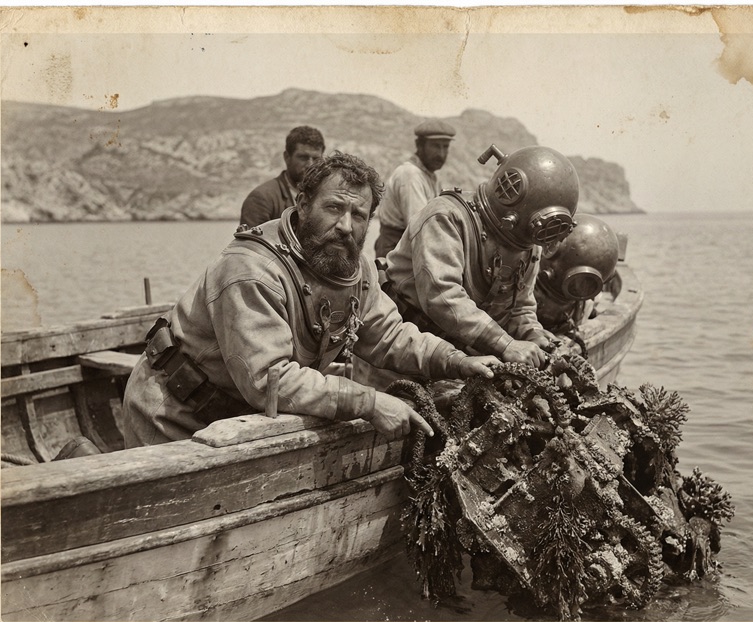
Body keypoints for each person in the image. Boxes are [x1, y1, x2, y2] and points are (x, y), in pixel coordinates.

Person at [123, 151, 499, 448]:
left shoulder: (357, 270)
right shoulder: (251, 269)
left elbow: (390, 336)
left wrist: (458, 361)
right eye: (334, 208)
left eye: (358, 215)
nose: (345, 225)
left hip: (238, 414)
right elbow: (271, 380)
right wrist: (368, 403)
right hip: (174, 411)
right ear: (303, 204)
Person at [379, 143, 581, 370]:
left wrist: (535, 336)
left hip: (462, 361)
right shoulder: (446, 217)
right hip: (400, 355)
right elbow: (443, 298)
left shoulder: (527, 242)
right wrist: (506, 345)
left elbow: (520, 307)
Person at [372, 119, 455, 258]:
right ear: (419, 145)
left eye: (445, 147)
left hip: (413, 248)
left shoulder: (431, 176)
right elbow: (421, 227)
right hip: (396, 254)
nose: (441, 154)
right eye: (435, 146)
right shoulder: (410, 174)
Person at [238, 125, 325, 232]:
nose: (310, 164)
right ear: (287, 157)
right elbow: (250, 246)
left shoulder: (324, 195)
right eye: (303, 157)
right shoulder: (261, 199)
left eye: (316, 159)